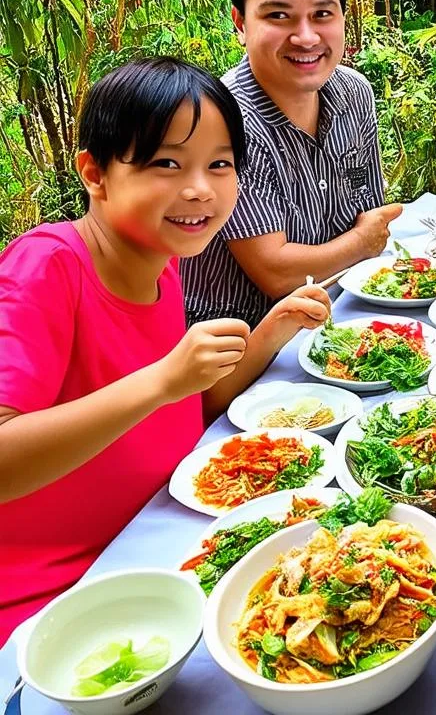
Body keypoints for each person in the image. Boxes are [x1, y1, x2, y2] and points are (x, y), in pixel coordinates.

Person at [0, 58, 330, 644]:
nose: (199, 188)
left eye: (220, 164)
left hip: (169, 539)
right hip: (56, 599)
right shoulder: (47, 267)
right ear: (95, 175)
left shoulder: (163, 262)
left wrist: (272, 331)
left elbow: (186, 408)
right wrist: (160, 379)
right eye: (166, 164)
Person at [182, 0, 401, 328]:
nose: (305, 37)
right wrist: (360, 243)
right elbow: (278, 274)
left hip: (339, 317)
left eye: (321, 14)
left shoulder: (354, 93)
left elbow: (372, 217)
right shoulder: (223, 119)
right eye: (279, 15)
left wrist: (366, 240)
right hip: (234, 343)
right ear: (240, 22)